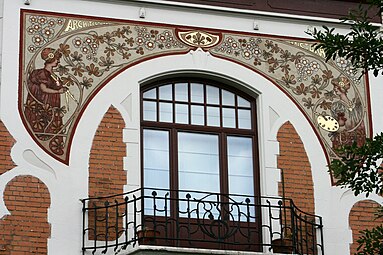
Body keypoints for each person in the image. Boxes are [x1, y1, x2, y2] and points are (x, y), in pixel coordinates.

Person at [24, 48, 67, 155]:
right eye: (56, 59)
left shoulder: (53, 75)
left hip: (53, 104)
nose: (58, 61)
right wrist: (59, 91)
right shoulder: (42, 73)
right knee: (45, 122)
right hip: (46, 102)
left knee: (53, 123)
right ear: (50, 59)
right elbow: (44, 89)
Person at [330, 76, 366, 151]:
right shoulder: (337, 106)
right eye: (334, 87)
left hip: (355, 137)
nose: (335, 89)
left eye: (337, 87)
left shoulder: (354, 105)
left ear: (342, 88)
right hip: (343, 138)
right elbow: (334, 124)